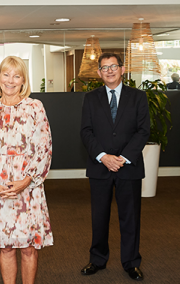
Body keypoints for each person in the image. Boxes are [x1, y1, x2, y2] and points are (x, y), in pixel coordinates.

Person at [0, 56, 53, 284]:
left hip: (28, 188)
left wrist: (26, 181)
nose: (10, 80)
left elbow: (44, 148)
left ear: (23, 80)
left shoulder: (35, 107)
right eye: (6, 74)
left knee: (29, 248)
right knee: (6, 248)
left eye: (16, 75)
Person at [80, 53, 150, 281]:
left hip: (128, 167)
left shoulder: (138, 97)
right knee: (99, 217)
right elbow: (86, 131)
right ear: (99, 73)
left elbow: (143, 131)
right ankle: (97, 259)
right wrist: (103, 157)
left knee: (130, 217)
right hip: (100, 167)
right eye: (104, 68)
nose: (109, 71)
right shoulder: (90, 98)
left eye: (114, 66)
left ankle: (131, 262)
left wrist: (123, 158)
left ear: (122, 69)